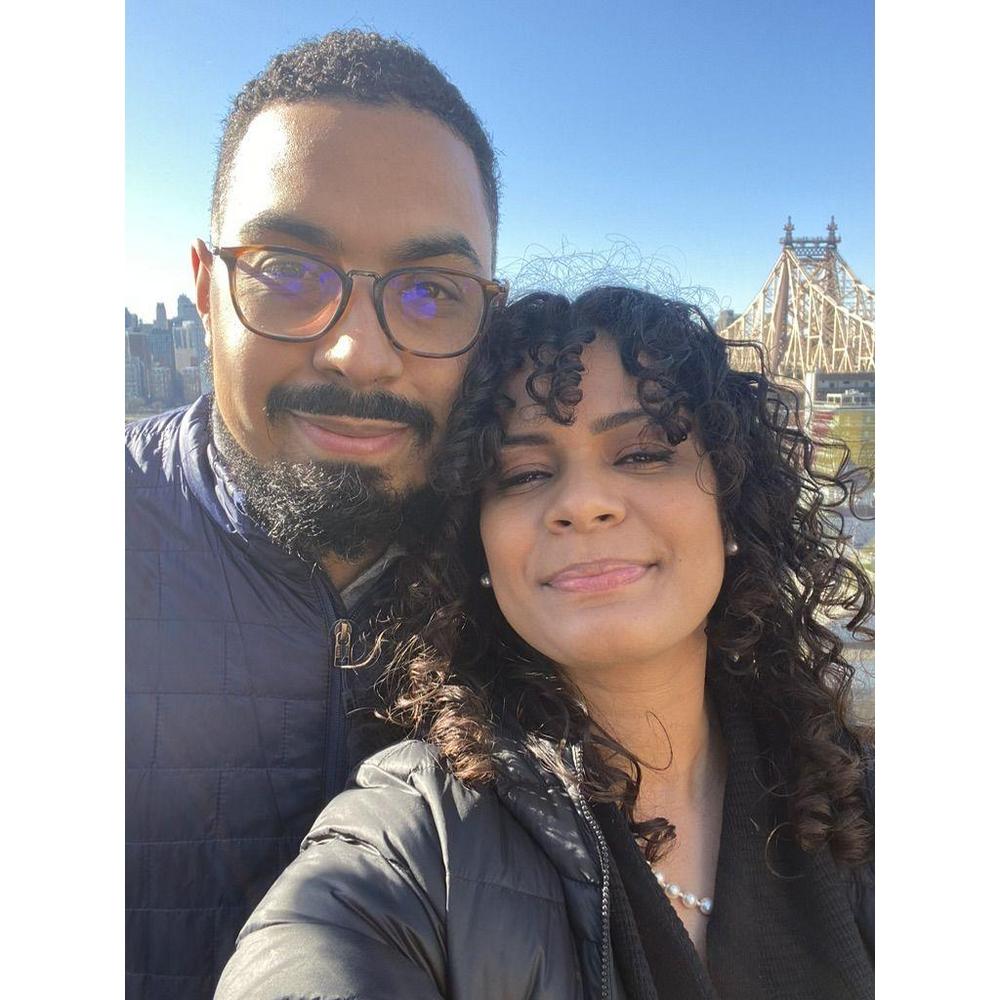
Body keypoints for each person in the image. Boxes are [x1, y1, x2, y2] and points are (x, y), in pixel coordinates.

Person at [215, 287, 875, 1000]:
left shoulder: (857, 790)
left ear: (733, 504)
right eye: (526, 474)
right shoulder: (417, 836)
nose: (583, 503)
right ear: (479, 550)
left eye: (643, 453)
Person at [125, 30, 506, 999]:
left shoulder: (551, 557)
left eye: (431, 291)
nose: (358, 353)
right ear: (205, 290)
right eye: (289, 270)